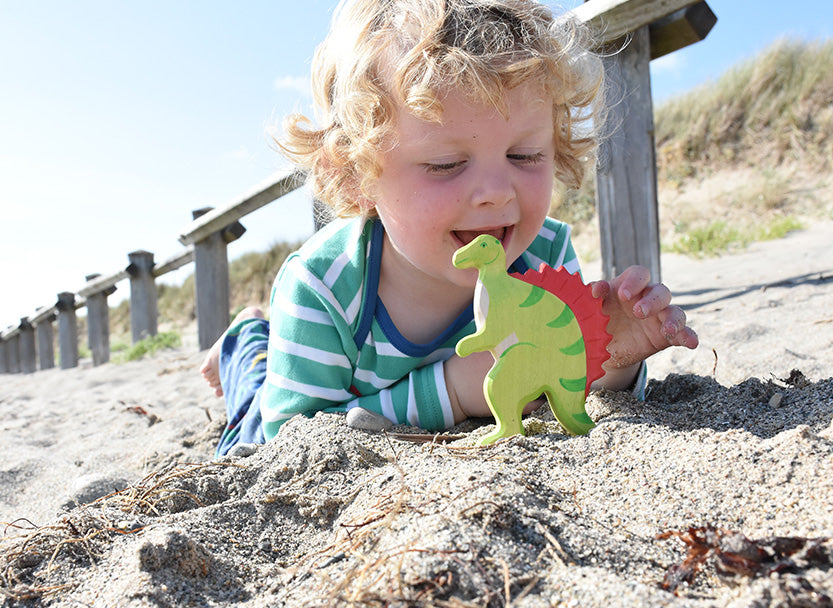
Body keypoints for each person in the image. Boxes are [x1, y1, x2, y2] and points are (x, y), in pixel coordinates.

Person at [200, 0, 698, 456]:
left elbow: (560, 382)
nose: (497, 192)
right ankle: (247, 338)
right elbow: (291, 438)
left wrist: (615, 355)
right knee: (251, 393)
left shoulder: (544, 250)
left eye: (525, 155)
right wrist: (454, 390)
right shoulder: (322, 287)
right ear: (358, 176)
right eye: (445, 164)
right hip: (266, 408)